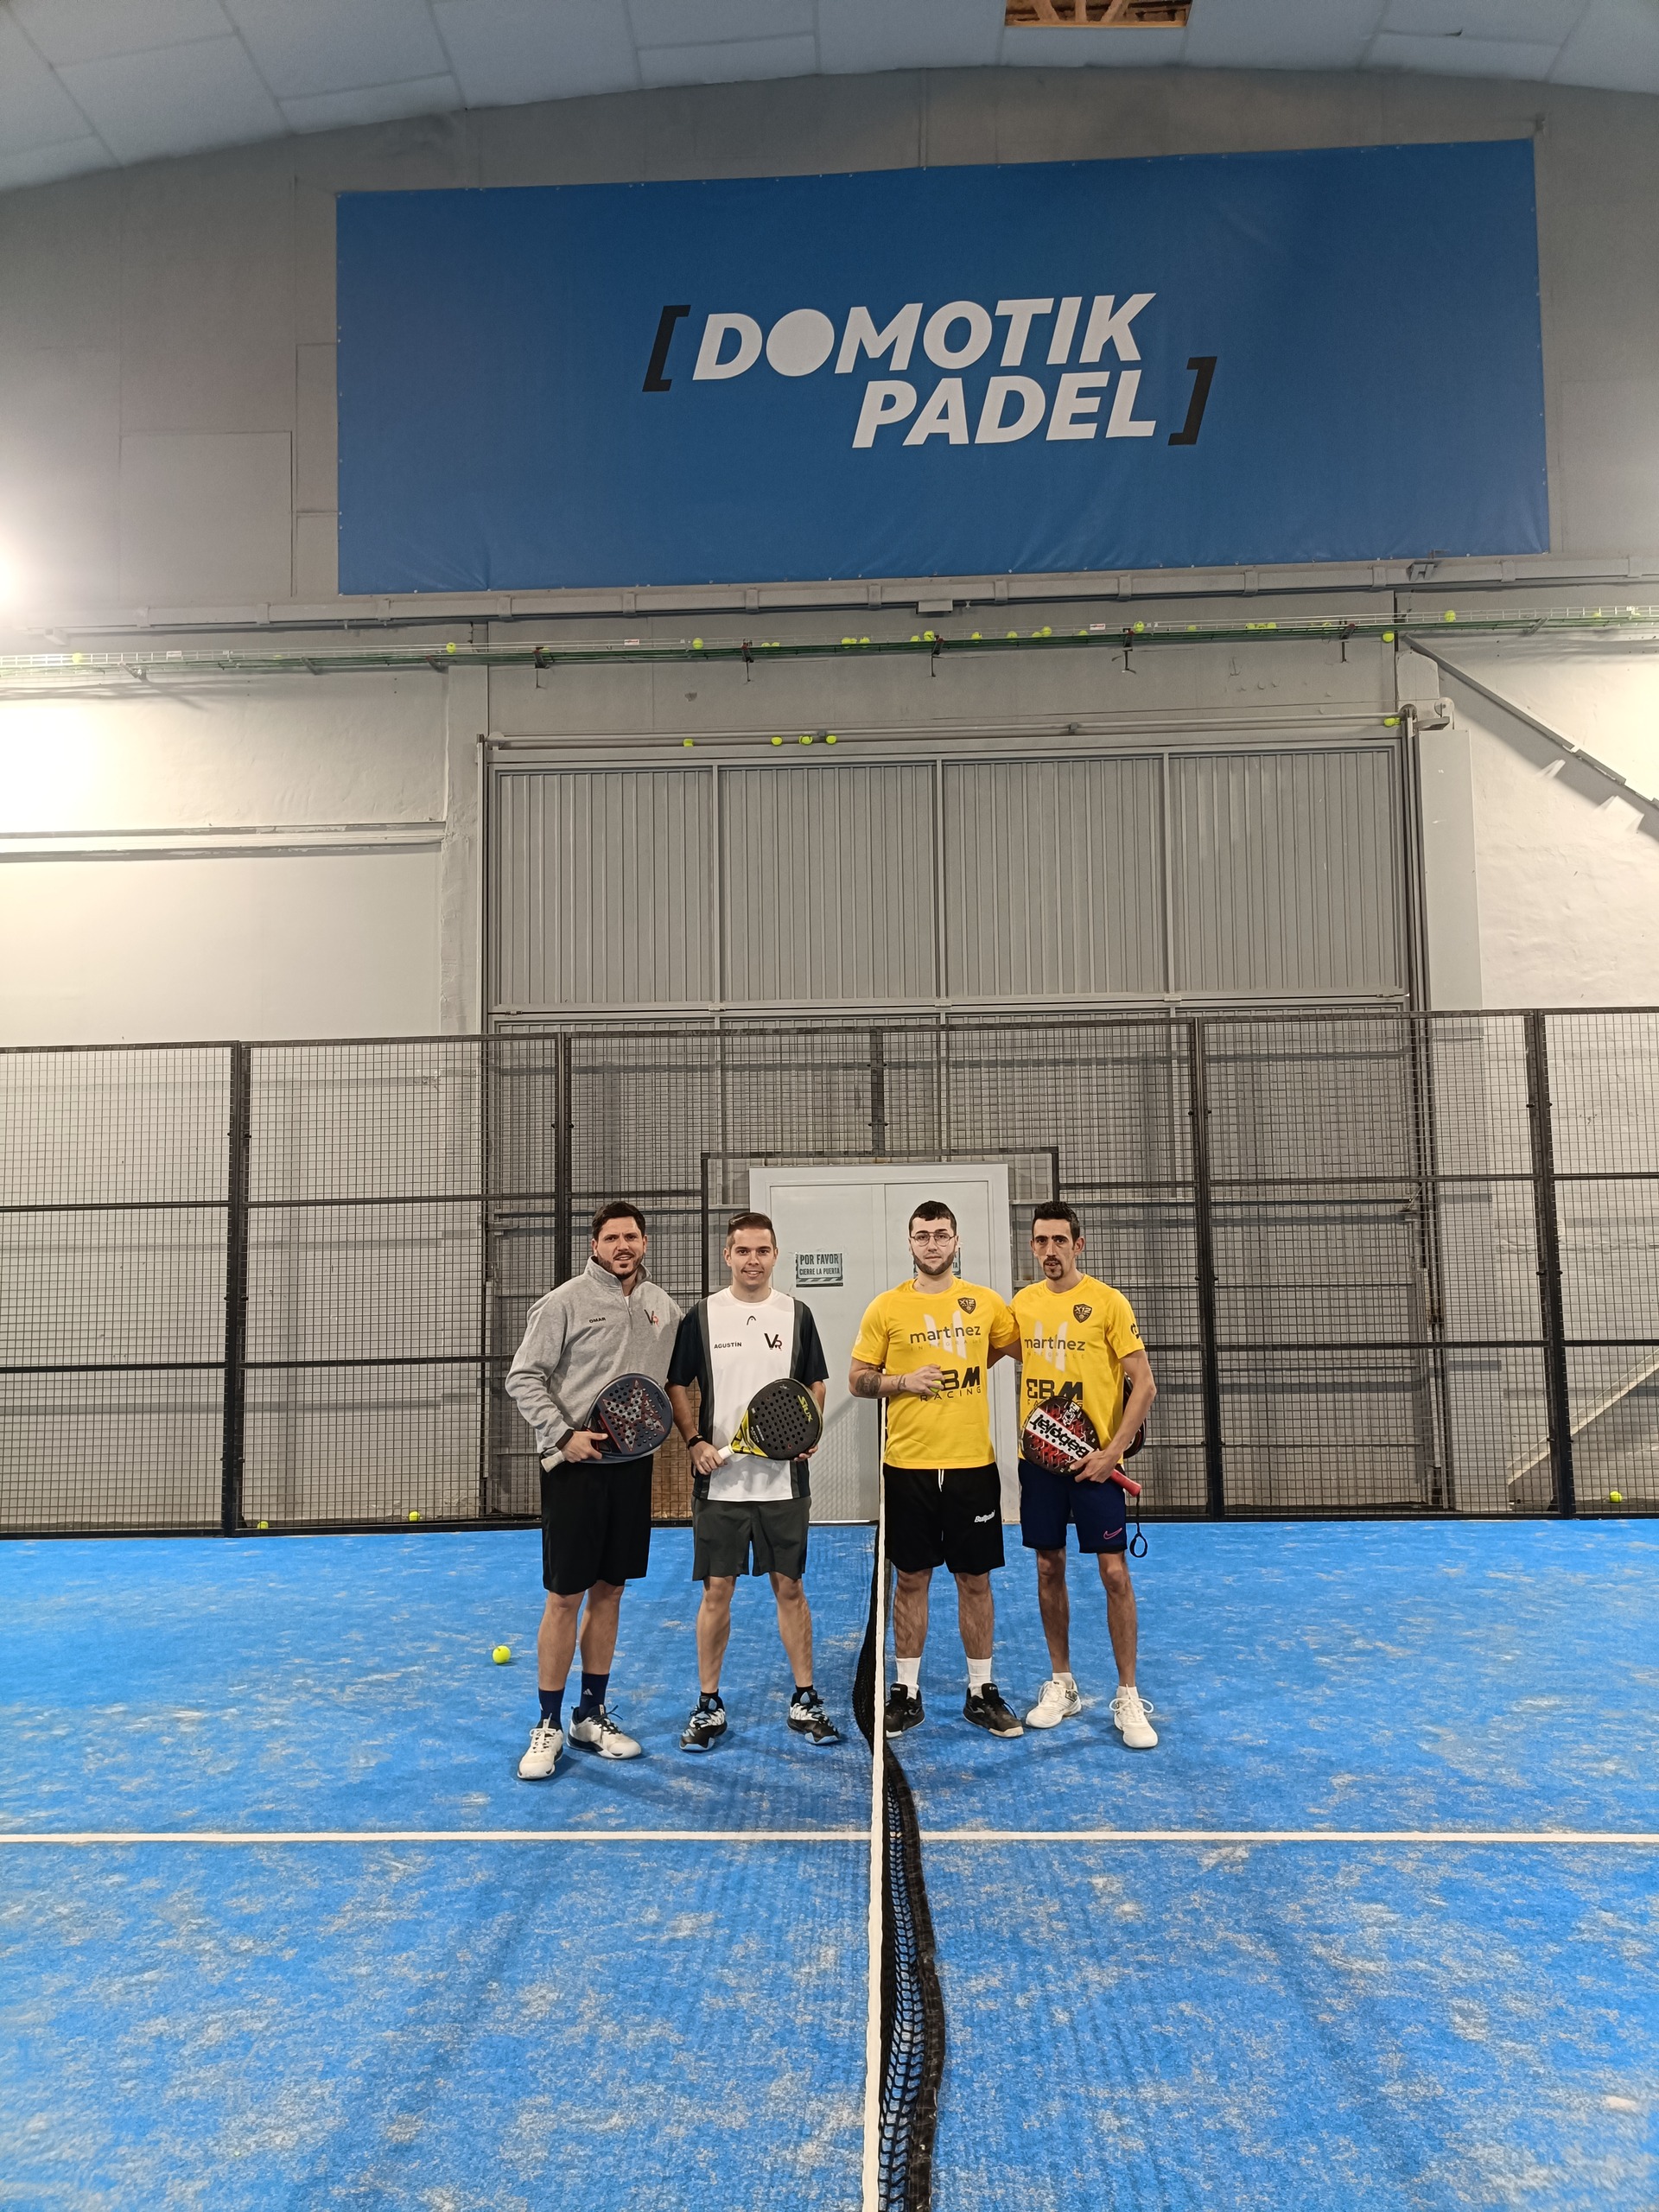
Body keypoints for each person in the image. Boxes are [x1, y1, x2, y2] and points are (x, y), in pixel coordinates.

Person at [504, 1199, 683, 1779]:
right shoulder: (563, 1302)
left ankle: (590, 1715)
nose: (623, 1247)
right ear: (595, 1245)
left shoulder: (663, 1308)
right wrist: (563, 1435)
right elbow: (522, 1376)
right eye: (612, 1238)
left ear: (644, 1243)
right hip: (575, 1470)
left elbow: (670, 1384)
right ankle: (548, 1723)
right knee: (565, 1597)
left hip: (631, 1472)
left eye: (632, 1237)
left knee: (611, 1591)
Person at [666, 1211, 840, 1751]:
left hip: (784, 1485)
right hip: (720, 1486)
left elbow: (815, 1383)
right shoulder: (702, 1316)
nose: (752, 1260)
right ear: (727, 1255)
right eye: (742, 1251)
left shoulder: (797, 1314)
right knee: (717, 1590)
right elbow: (676, 1383)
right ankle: (708, 1705)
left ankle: (805, 1698)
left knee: (790, 1587)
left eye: (762, 1251)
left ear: (775, 1255)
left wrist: (807, 1430)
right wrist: (695, 1441)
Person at [849, 1199, 1024, 1738]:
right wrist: (902, 1382)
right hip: (909, 1466)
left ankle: (981, 1691)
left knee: (975, 1579)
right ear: (910, 1243)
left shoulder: (986, 1303)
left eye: (941, 1235)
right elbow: (858, 1379)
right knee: (911, 1579)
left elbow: (1020, 1350)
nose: (932, 1244)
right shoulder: (885, 1308)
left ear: (956, 1241)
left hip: (973, 1464)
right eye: (922, 1235)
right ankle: (906, 1691)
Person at [1011, 1203, 1159, 1749]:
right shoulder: (1022, 1305)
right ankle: (1063, 1683)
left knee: (1114, 1574)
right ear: (1032, 1247)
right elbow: (983, 1352)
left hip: (1097, 1466)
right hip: (1040, 1463)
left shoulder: (1108, 1302)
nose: (1050, 1251)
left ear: (1079, 1244)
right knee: (1048, 1567)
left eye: (1059, 1240)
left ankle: (1128, 1694)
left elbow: (1144, 1385)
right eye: (1040, 1241)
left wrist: (1111, 1453)